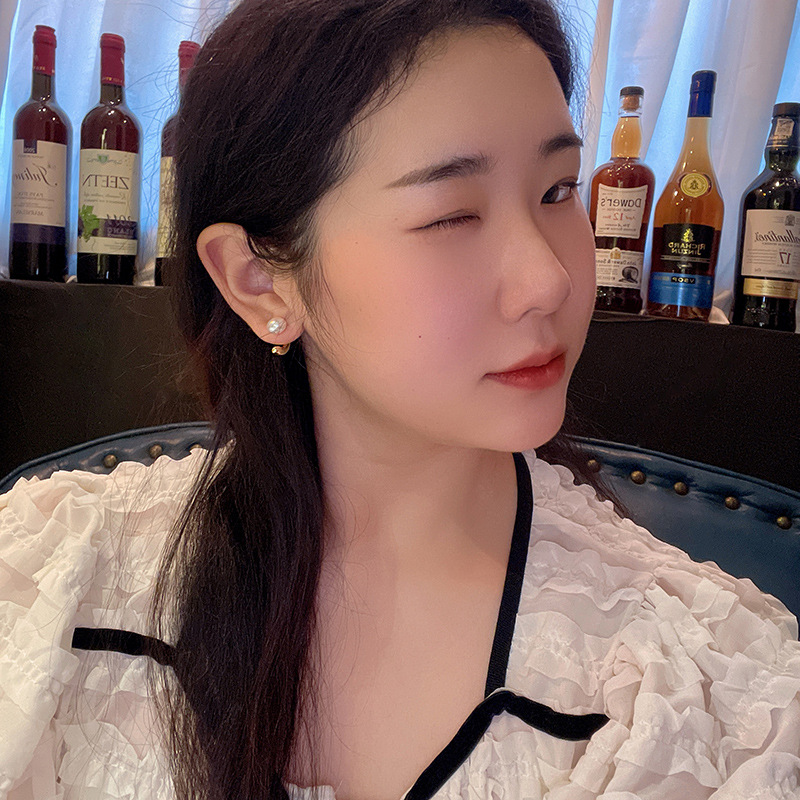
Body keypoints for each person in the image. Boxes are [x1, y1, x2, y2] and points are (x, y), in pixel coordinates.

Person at [1, 1, 799, 798]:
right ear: (259, 280)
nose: (549, 280)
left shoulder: (710, 693)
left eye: (558, 191)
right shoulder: (47, 577)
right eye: (452, 216)